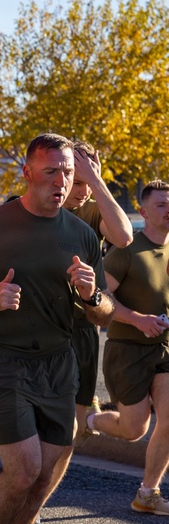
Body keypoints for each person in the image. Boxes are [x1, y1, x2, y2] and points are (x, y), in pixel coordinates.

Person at [0, 132, 115, 524]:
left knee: (46, 474)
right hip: (5, 362)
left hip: (60, 364)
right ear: (27, 173)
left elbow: (105, 314)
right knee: (24, 469)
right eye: (51, 171)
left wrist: (91, 294)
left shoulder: (82, 234)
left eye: (67, 172)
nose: (61, 181)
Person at [87, 180, 169, 514]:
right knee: (135, 429)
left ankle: (147, 494)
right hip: (127, 351)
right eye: (162, 204)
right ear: (144, 211)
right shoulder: (126, 250)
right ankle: (90, 421)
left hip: (163, 349)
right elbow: (100, 299)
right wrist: (138, 319)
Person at [61, 140, 133, 443]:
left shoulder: (92, 211)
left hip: (84, 325)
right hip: (42, 325)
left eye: (88, 181)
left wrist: (96, 181)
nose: (83, 190)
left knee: (76, 425)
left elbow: (123, 236)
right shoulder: (36, 210)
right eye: (77, 182)